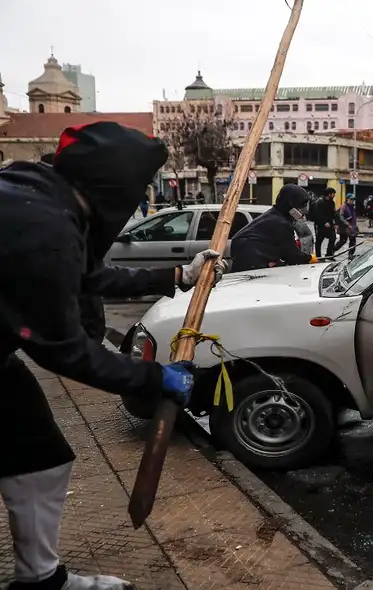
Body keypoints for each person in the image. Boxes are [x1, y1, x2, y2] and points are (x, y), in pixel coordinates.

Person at [0, 122, 212, 590]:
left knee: (40, 453)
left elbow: (84, 275)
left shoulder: (37, 196)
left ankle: (40, 581)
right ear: (116, 191)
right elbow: (66, 350)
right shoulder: (43, 225)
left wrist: (176, 275)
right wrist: (154, 379)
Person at [230, 184, 314, 272]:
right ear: (289, 204)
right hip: (251, 265)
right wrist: (310, 258)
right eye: (300, 206)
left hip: (251, 261)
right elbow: (291, 255)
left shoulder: (276, 215)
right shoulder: (280, 223)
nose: (303, 211)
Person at [312, 188, 339, 257]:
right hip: (321, 224)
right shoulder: (320, 202)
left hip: (330, 224)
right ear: (329, 194)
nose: (334, 195)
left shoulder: (331, 202)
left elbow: (333, 213)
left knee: (333, 238)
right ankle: (318, 256)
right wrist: (324, 222)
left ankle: (329, 254)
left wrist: (335, 223)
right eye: (333, 194)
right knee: (319, 241)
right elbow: (318, 214)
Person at [339, 194, 359, 259]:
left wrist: (356, 227)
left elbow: (354, 218)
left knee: (353, 242)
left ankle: (350, 255)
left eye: (353, 200)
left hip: (352, 227)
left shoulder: (353, 207)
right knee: (342, 241)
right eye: (351, 199)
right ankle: (332, 251)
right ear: (347, 199)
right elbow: (341, 217)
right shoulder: (343, 206)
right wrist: (347, 223)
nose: (352, 201)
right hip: (345, 227)